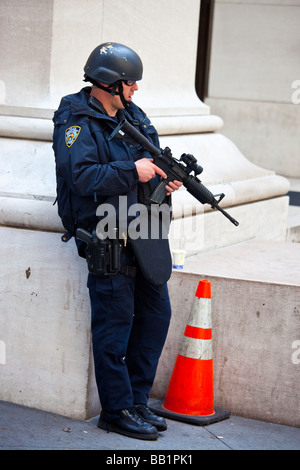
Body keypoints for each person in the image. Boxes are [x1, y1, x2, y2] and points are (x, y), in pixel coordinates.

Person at [52, 42, 182, 440]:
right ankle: (116, 409)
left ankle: (137, 400)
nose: (136, 90)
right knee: (114, 327)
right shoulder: (75, 120)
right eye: (131, 83)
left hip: (143, 233)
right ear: (111, 83)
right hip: (107, 236)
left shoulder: (134, 115)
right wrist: (134, 170)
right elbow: (83, 176)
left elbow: (152, 161)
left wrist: (166, 178)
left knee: (156, 315)